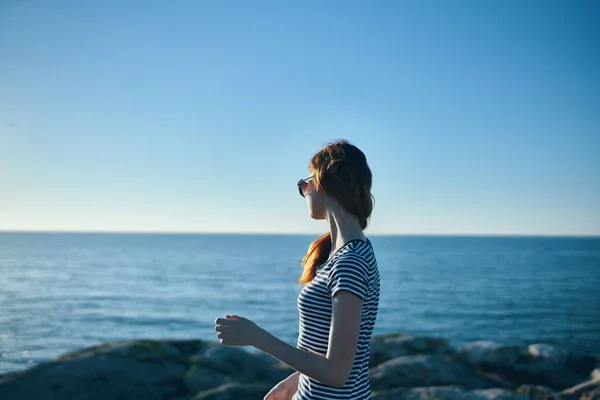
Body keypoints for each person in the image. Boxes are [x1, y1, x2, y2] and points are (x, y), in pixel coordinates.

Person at [214, 140, 380, 399]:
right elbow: (330, 354)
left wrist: (257, 337)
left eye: (306, 182)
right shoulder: (347, 255)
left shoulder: (350, 261)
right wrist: (293, 384)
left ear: (324, 182)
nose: (304, 190)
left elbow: (337, 373)